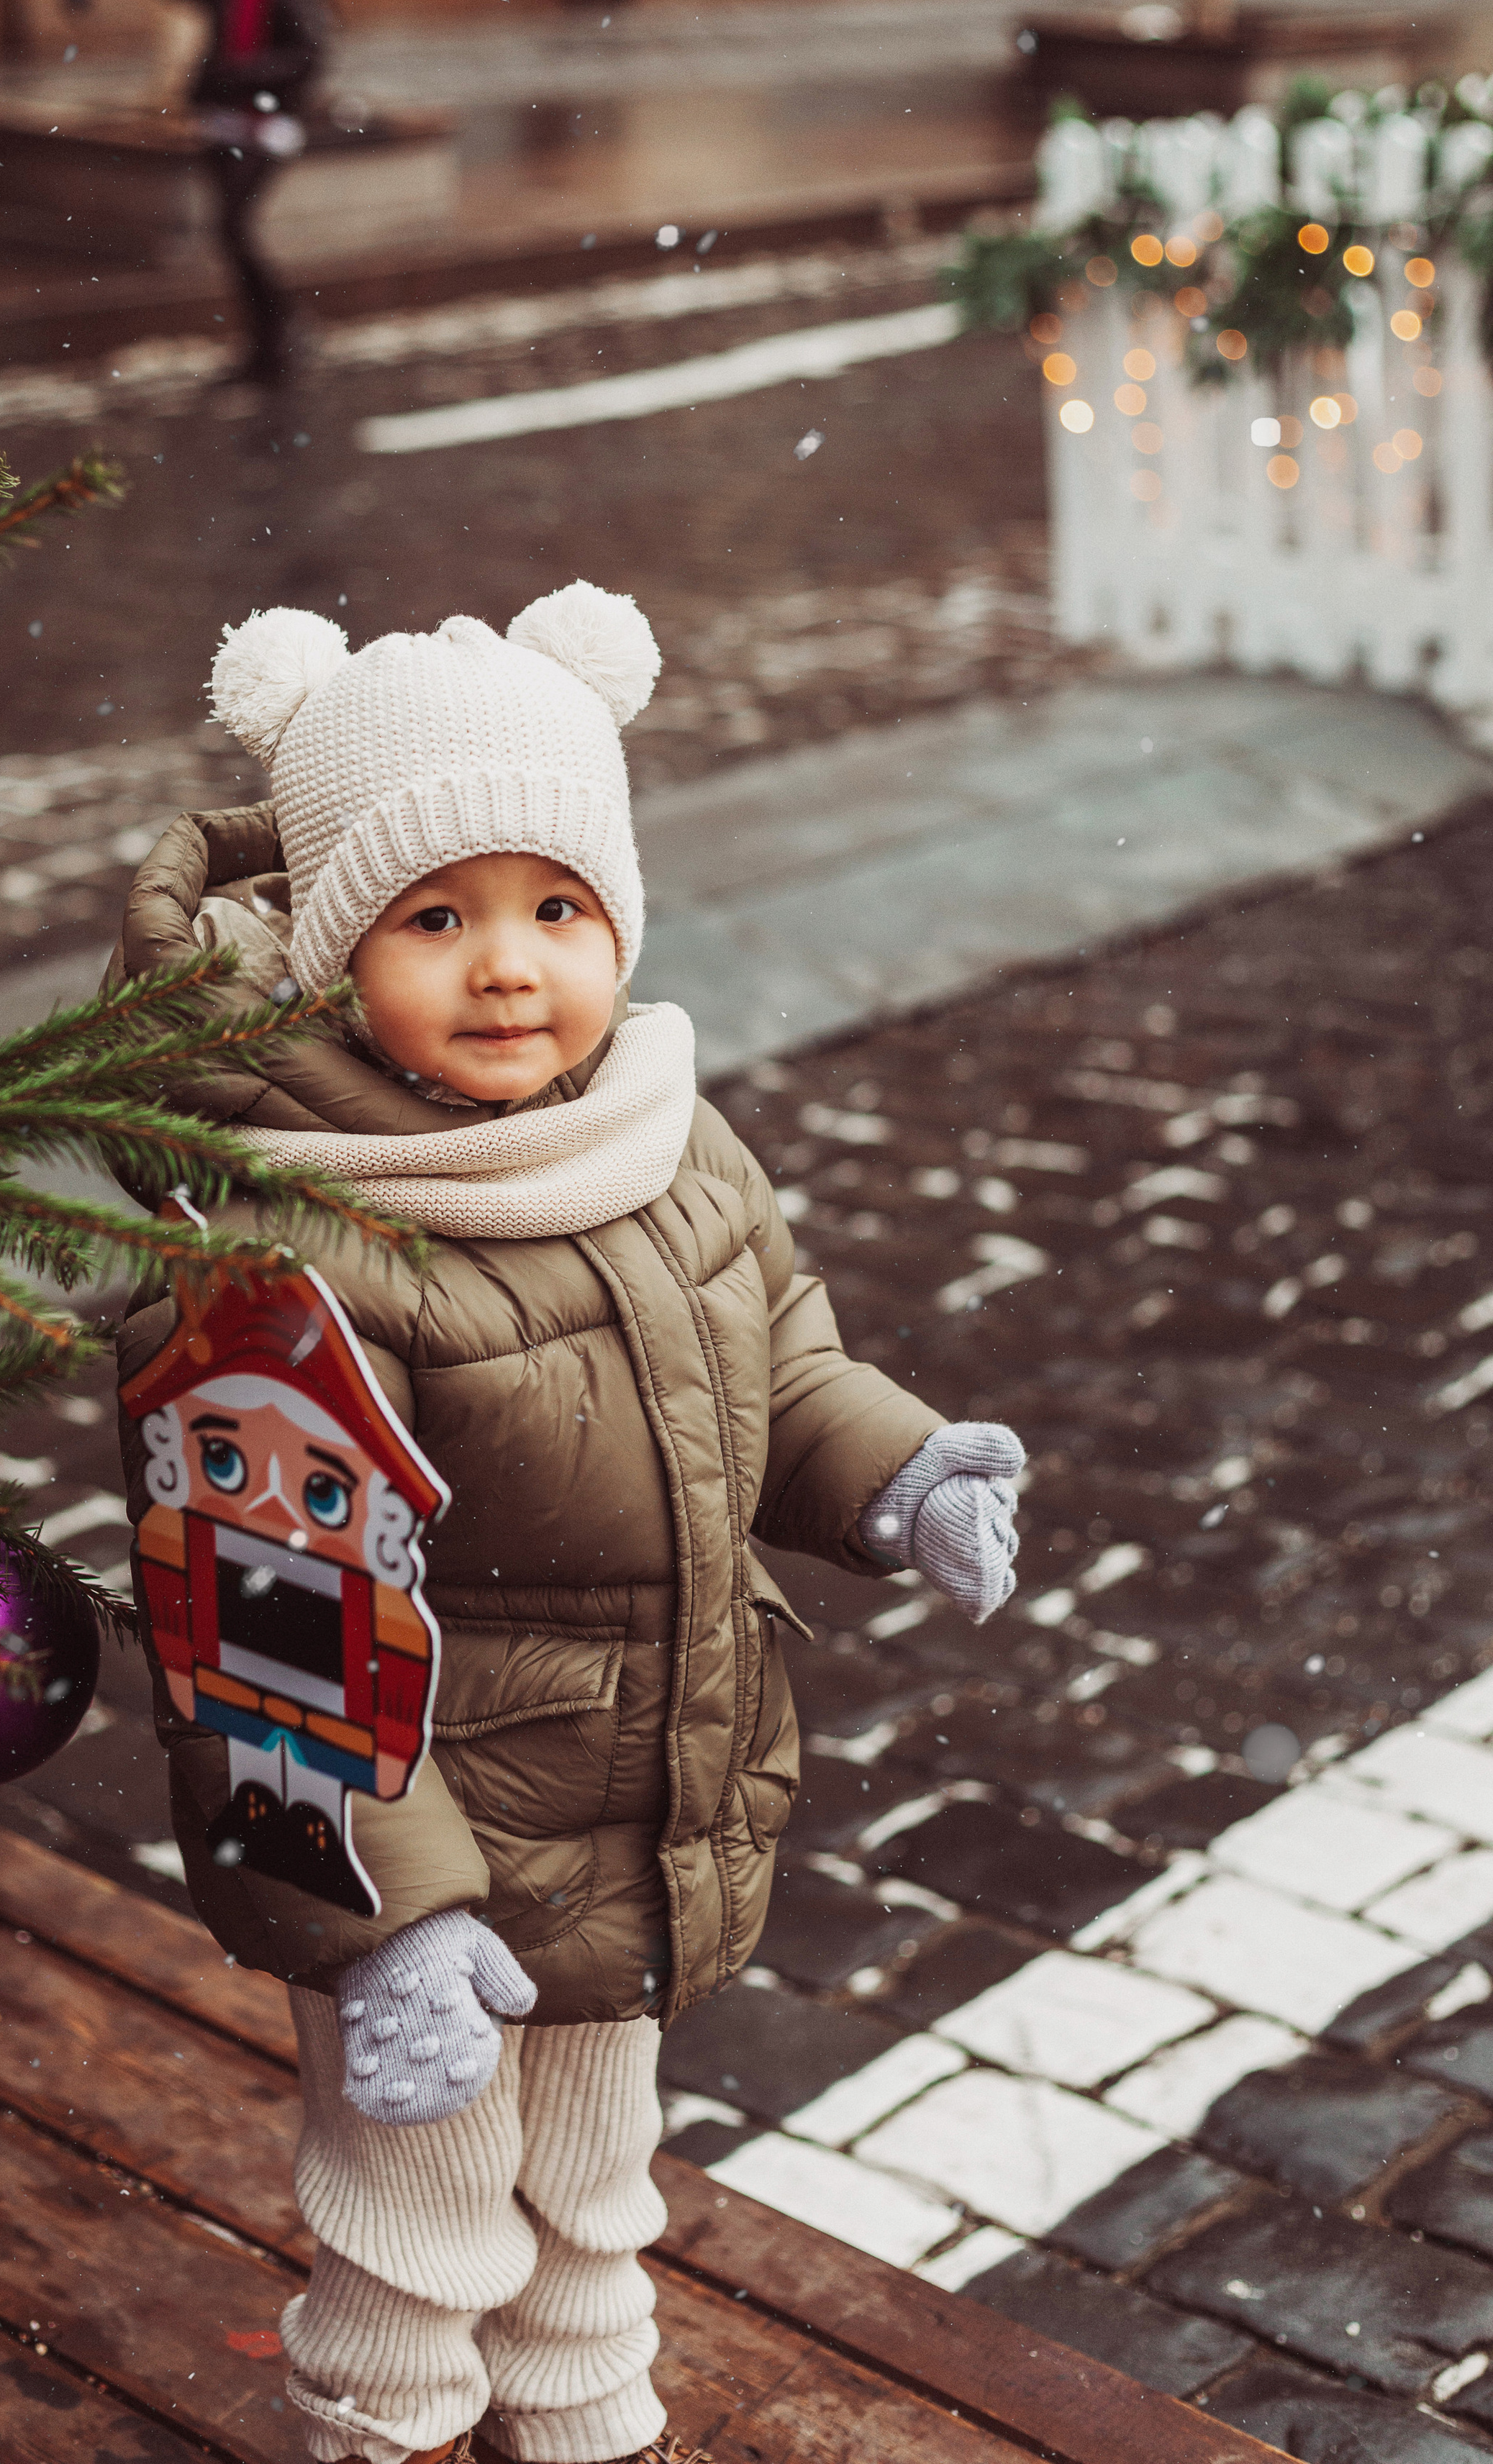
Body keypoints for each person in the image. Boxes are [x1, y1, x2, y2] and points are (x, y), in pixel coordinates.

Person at [109, 585, 1025, 2464]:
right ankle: (390, 2435)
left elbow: (772, 1365)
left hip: (638, 1808)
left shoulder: (664, 1142)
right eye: (436, 920)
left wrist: (898, 1469)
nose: (509, 967)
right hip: (424, 1859)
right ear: (328, 953)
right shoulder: (284, 1250)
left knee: (596, 2196)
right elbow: (269, 1623)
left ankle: (590, 2431)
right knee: (418, 2232)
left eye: (558, 910)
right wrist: (386, 1924)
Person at [158, 0, 333, 384]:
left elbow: (309, 53)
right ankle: (267, 342)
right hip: (223, 118)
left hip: (267, 120)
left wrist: (238, 75)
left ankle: (284, 326)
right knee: (230, 232)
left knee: (233, 227)